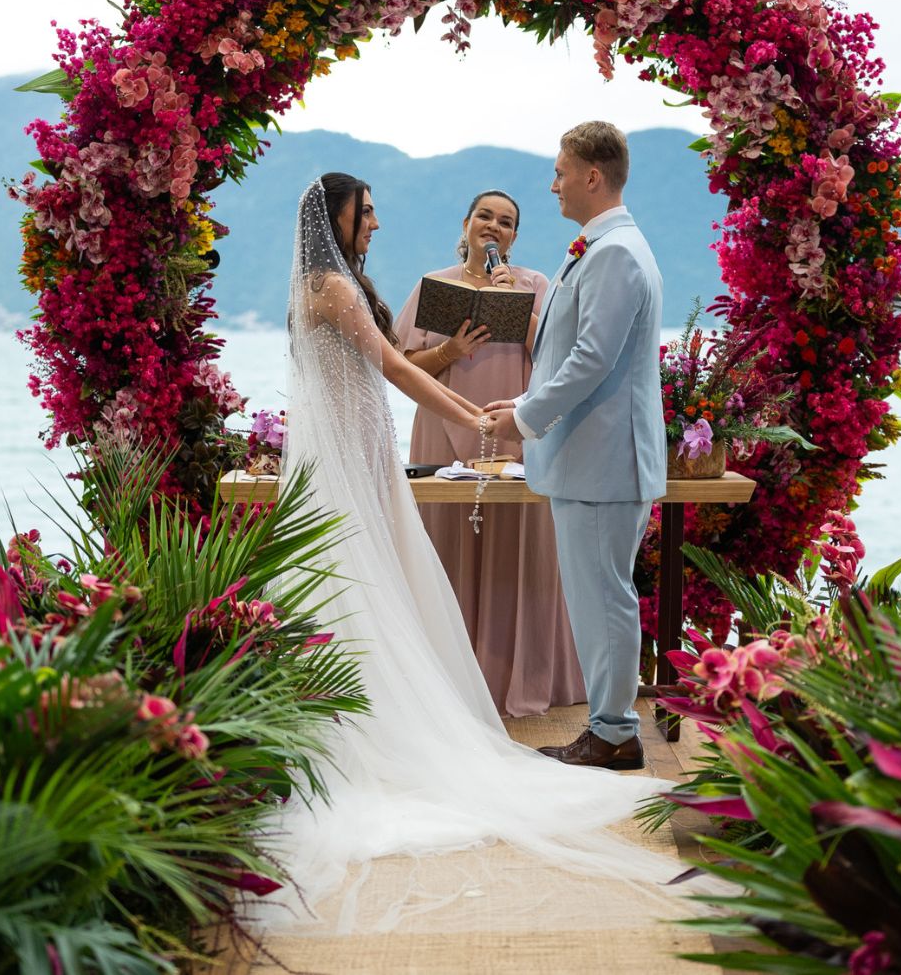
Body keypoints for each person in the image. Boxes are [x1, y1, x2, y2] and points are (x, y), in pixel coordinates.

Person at [259, 172, 673, 935]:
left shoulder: (334, 280)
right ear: (338, 216)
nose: (377, 221)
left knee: (363, 586)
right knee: (359, 585)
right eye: (368, 210)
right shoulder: (333, 286)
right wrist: (478, 419)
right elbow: (398, 365)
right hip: (355, 457)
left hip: (360, 450)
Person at [483, 122, 666, 772]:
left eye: (561, 170)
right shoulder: (600, 246)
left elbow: (593, 357)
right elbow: (570, 345)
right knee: (596, 595)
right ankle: (607, 725)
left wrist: (526, 417)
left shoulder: (615, 252)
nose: (552, 182)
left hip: (604, 460)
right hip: (593, 458)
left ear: (594, 175)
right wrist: (524, 404)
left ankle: (614, 731)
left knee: (605, 595)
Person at [393, 190, 586, 717]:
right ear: (467, 223)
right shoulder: (435, 285)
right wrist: (450, 351)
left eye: (506, 222)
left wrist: (518, 308)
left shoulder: (536, 285)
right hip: (444, 426)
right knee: (445, 543)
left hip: (515, 429)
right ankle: (444, 679)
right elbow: (404, 367)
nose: (494, 226)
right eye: (486, 216)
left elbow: (562, 360)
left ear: (514, 236)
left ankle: (511, 674)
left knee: (515, 547)